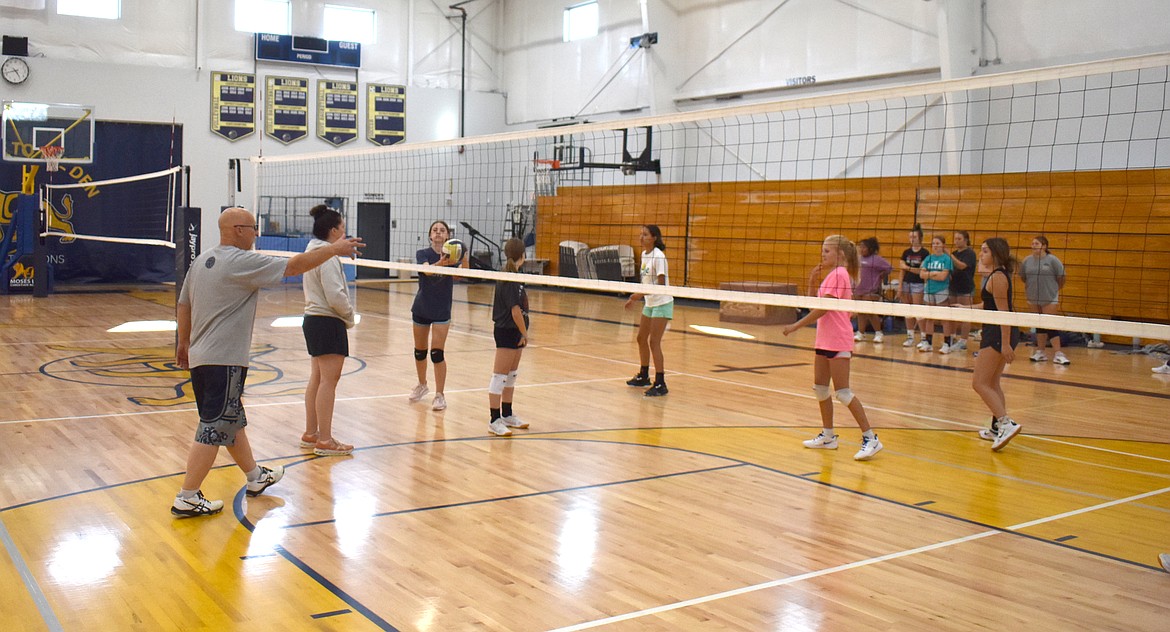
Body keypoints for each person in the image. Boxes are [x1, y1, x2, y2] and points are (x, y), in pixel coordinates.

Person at [173, 207, 364, 517]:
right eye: (252, 228)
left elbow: (184, 304)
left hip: (201, 357)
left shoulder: (201, 261)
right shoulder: (240, 261)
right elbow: (293, 266)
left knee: (231, 421)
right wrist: (334, 249)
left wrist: (183, 342)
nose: (256, 234)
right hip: (224, 360)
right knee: (213, 427)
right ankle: (188, 495)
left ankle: (255, 476)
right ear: (237, 230)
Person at [782, 235, 883, 461]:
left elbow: (823, 309)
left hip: (837, 339)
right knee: (820, 388)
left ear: (840, 255)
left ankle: (871, 438)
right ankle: (828, 436)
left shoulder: (840, 274)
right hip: (824, 339)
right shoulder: (831, 275)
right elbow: (815, 304)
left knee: (843, 392)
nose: (823, 254)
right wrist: (811, 279)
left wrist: (797, 325)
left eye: (827, 251)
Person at [300, 205, 356, 457]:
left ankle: (311, 433)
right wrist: (349, 315)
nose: (345, 232)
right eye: (342, 228)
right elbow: (335, 295)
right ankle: (325, 440)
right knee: (328, 382)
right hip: (327, 321)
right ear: (333, 230)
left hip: (312, 319)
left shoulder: (311, 251)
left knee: (317, 379)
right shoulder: (327, 256)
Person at [409, 220, 469, 411]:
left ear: (447, 237)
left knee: (437, 353)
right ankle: (422, 385)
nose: (438, 233)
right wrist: (441, 263)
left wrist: (464, 257)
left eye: (442, 230)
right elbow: (426, 271)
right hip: (421, 307)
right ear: (430, 235)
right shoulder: (423, 254)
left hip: (442, 309)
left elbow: (461, 276)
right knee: (420, 352)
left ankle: (439, 395)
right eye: (435, 230)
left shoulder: (454, 257)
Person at [971, 237, 1023, 451]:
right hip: (999, 332)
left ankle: (1005, 423)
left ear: (995, 253)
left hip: (998, 333)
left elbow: (1004, 312)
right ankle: (996, 427)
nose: (981, 255)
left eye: (984, 251)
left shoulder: (998, 277)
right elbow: (990, 304)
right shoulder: (997, 276)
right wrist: (963, 308)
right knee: (992, 383)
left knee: (979, 383)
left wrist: (1005, 344)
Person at [487, 238, 531, 437]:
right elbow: (515, 311)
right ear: (523, 255)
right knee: (500, 376)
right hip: (507, 329)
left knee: (511, 375)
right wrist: (524, 332)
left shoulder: (516, 275)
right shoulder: (509, 277)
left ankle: (507, 414)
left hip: (515, 331)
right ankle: (494, 419)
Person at [624, 225, 674, 396]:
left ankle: (660, 383)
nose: (641, 237)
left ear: (654, 238)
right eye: (640, 234)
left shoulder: (659, 257)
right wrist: (636, 296)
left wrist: (638, 295)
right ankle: (644, 375)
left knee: (654, 342)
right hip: (650, 302)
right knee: (640, 338)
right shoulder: (645, 255)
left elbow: (661, 284)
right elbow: (646, 282)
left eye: (645, 235)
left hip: (662, 302)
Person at [1019, 235, 1070, 365]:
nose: (1034, 245)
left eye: (1037, 243)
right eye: (1033, 243)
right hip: (1033, 296)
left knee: (1050, 324)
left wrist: (1055, 289)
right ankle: (1040, 352)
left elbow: (1062, 277)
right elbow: (1023, 277)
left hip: (1049, 296)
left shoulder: (1052, 260)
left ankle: (1058, 353)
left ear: (1044, 246)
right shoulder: (1027, 261)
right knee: (1039, 325)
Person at [919, 235, 954, 353]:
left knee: (944, 317)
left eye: (938, 243)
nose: (935, 245)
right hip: (929, 289)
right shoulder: (928, 258)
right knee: (929, 317)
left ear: (943, 245)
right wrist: (934, 274)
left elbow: (943, 276)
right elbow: (921, 275)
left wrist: (929, 274)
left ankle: (947, 344)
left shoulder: (946, 259)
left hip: (941, 290)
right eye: (933, 243)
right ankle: (928, 343)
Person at [853, 237, 891, 343]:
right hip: (859, 288)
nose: (861, 249)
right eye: (860, 247)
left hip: (871, 289)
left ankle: (879, 333)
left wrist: (881, 276)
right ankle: (861, 333)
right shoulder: (859, 258)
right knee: (860, 311)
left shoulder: (876, 259)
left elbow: (888, 268)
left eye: (863, 247)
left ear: (870, 248)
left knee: (870, 311)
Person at [947, 230, 978, 351]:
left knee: (965, 314)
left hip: (965, 287)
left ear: (966, 240)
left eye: (959, 239)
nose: (956, 241)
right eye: (955, 239)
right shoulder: (954, 253)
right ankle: (953, 337)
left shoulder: (970, 253)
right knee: (953, 313)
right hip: (953, 286)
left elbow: (961, 266)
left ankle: (963, 340)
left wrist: (950, 255)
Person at [898, 224, 928, 348]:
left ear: (920, 238)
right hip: (906, 283)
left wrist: (908, 267)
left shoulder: (925, 253)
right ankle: (910, 337)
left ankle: (924, 338)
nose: (912, 239)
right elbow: (901, 270)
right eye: (910, 237)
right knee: (908, 311)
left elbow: (922, 272)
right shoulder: (906, 252)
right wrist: (899, 286)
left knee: (918, 310)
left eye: (914, 236)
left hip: (918, 284)